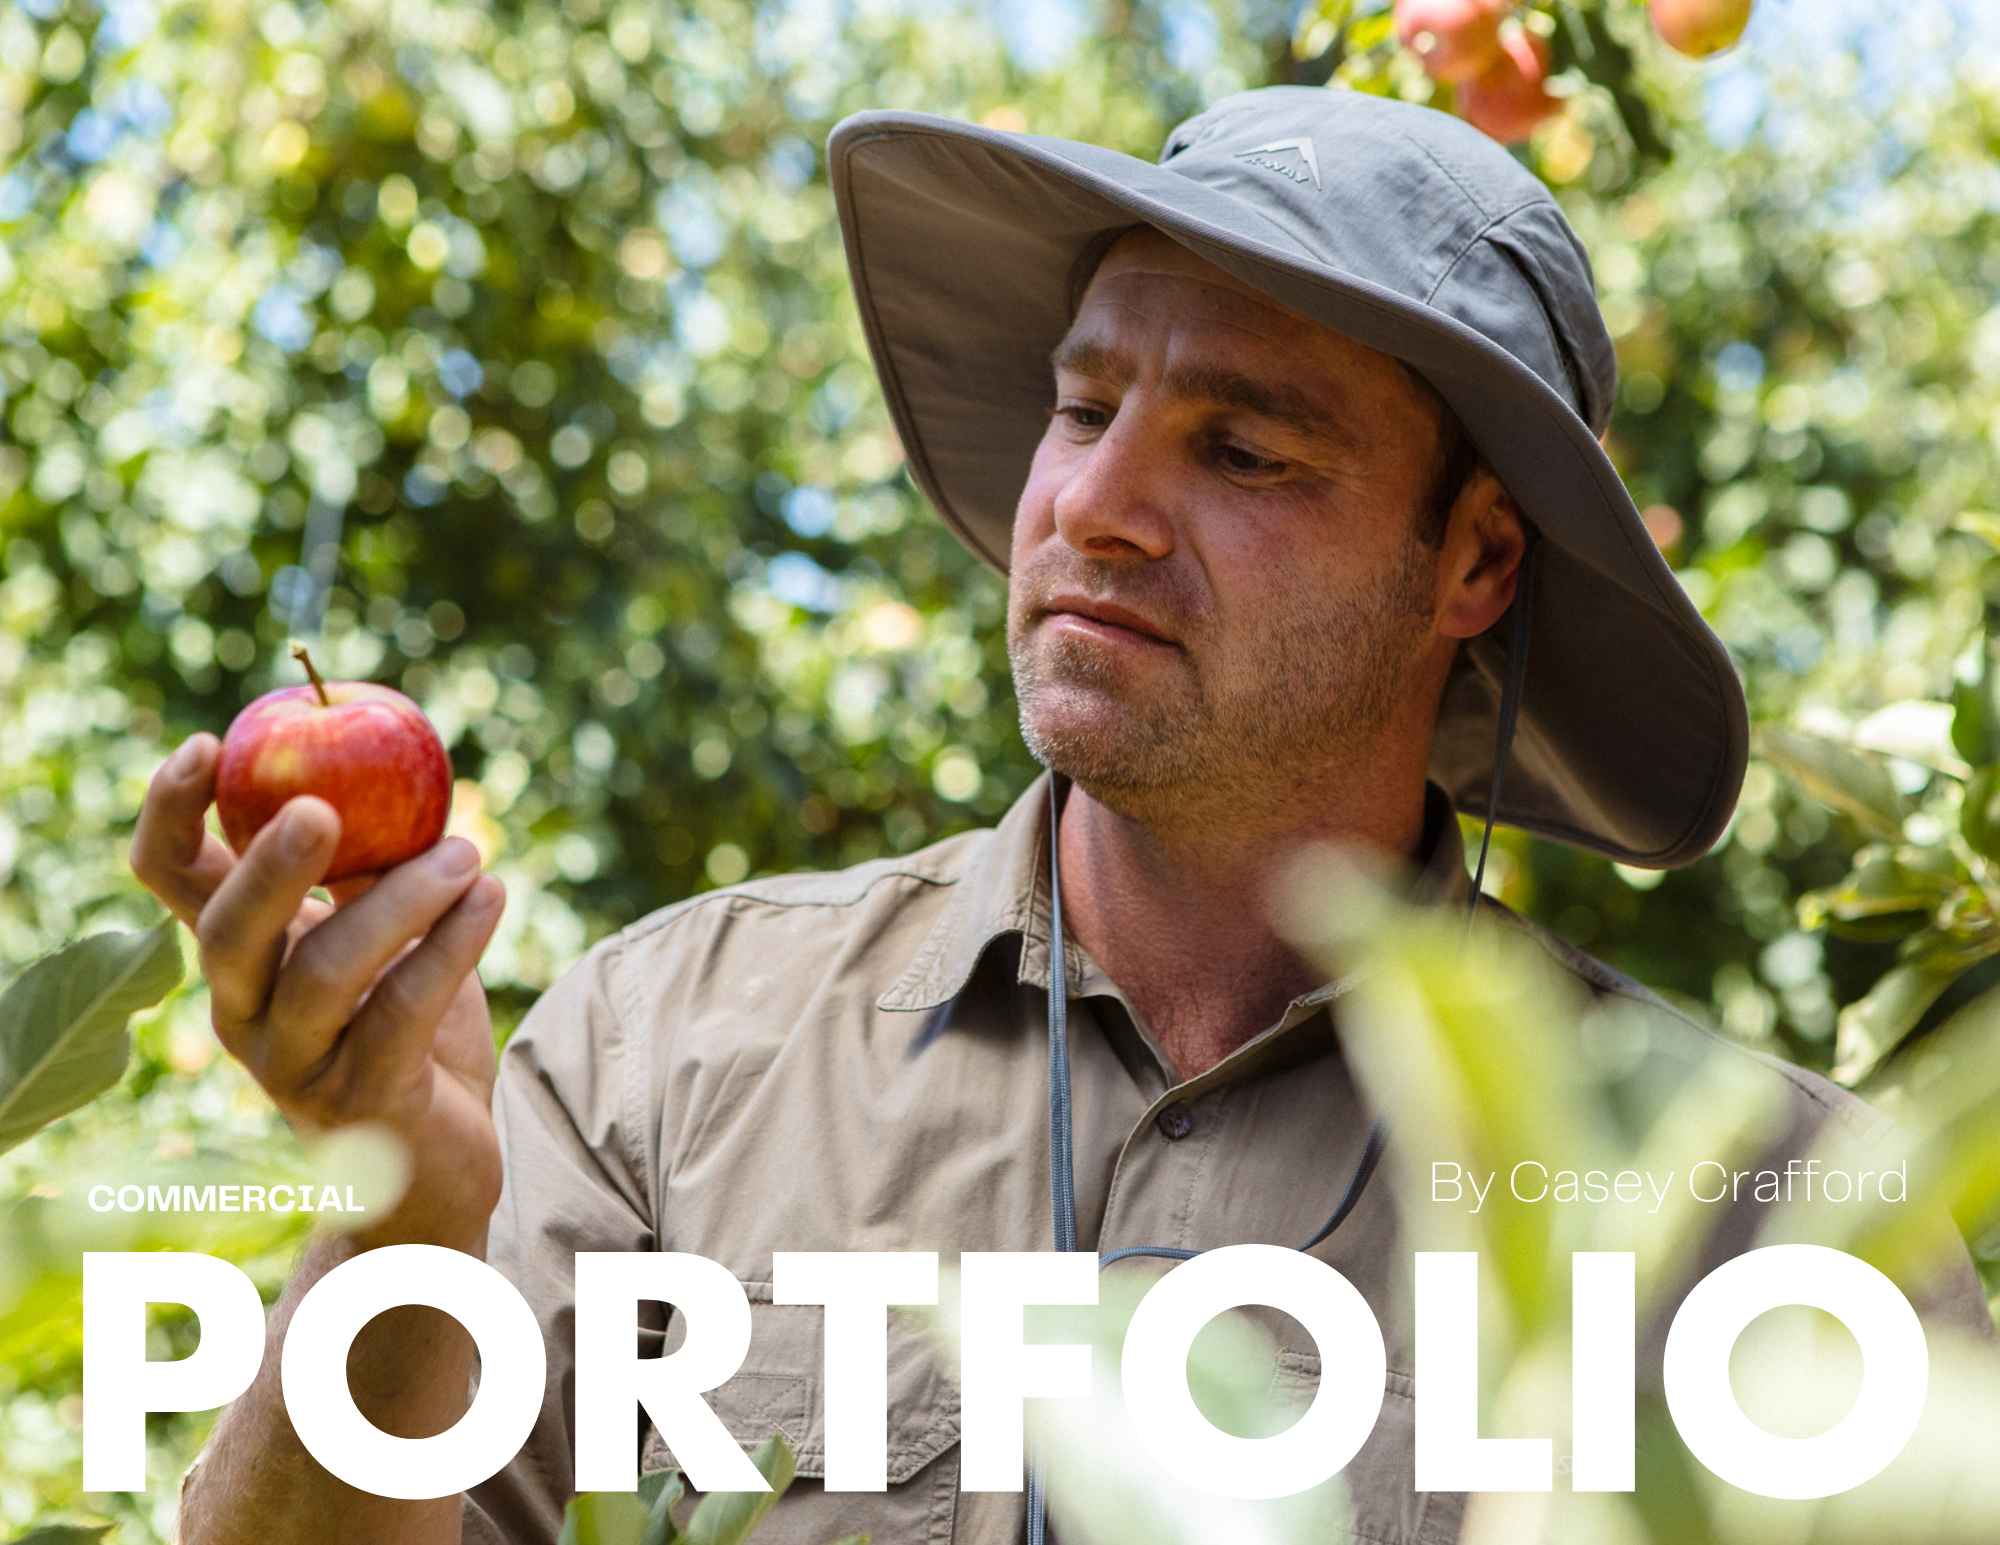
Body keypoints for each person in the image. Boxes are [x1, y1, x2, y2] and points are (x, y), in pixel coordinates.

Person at [132, 86, 1991, 1545]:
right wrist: (405, 1222)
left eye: (1242, 449)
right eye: (1083, 407)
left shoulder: (1766, 1222)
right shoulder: (666, 1054)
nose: (1093, 506)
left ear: (1476, 562)